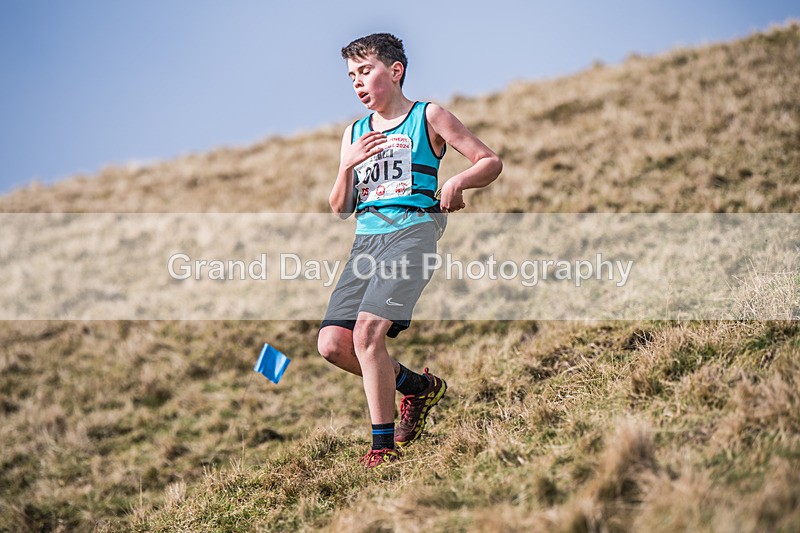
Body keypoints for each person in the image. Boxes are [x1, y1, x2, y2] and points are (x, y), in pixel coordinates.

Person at [317, 33, 502, 468]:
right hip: (366, 242)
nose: (358, 84)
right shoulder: (354, 134)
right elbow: (340, 208)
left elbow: (489, 161)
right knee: (332, 344)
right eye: (351, 77)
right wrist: (347, 164)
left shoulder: (428, 116)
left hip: (413, 234)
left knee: (366, 336)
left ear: (395, 71)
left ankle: (383, 448)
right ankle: (417, 388)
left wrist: (456, 181)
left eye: (366, 72)